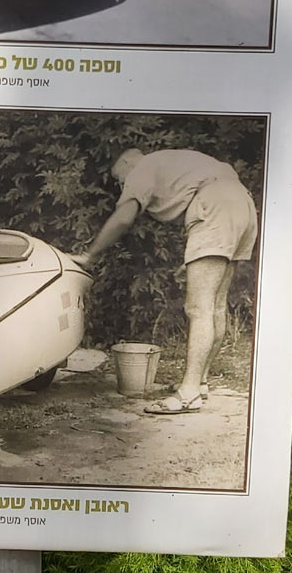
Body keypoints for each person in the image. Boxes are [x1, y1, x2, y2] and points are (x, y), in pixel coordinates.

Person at [77, 148, 257, 415]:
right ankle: (200, 383)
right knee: (216, 305)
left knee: (198, 309)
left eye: (119, 179)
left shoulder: (141, 168)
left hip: (215, 205)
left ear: (127, 162)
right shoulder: (172, 162)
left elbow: (125, 216)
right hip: (242, 202)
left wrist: (89, 255)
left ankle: (188, 394)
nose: (121, 186)